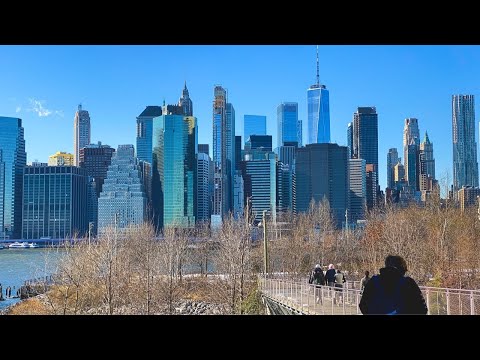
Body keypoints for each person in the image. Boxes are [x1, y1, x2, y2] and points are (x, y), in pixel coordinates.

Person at [359, 255, 428, 315]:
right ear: (402, 269)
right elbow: (422, 309)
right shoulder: (408, 283)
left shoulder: (373, 282)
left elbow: (363, 305)